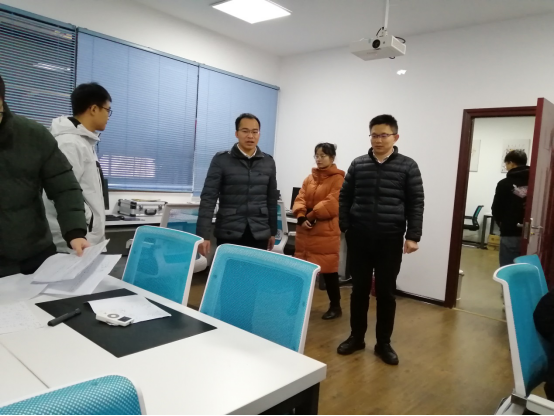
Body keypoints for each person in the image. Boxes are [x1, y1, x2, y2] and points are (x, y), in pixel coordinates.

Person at [337, 114, 425, 365]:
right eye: (374, 135)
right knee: (359, 291)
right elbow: (344, 197)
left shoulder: (408, 166)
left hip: (390, 238)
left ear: (395, 137)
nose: (378, 140)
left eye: (384, 135)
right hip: (359, 237)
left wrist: (413, 236)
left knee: (386, 293)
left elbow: (416, 202)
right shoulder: (358, 164)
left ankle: (383, 344)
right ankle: (356, 338)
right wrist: (346, 226)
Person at [0, 75, 89, 278]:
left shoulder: (33, 136)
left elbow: (64, 188)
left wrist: (75, 232)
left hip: (33, 255)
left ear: (3, 102)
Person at [196, 113, 278, 255]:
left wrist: (272, 232)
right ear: (237, 133)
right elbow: (208, 198)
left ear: (259, 134)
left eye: (255, 132)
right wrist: (203, 235)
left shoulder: (268, 162)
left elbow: (271, 200)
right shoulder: (221, 160)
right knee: (229, 268)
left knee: (255, 268)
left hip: (259, 232)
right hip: (229, 231)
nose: (250, 136)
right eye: (245, 131)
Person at [44, 83, 112, 252]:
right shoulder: (69, 143)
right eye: (107, 110)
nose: (108, 116)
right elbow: (63, 193)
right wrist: (86, 224)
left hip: (85, 237)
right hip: (74, 241)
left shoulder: (83, 141)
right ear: (94, 109)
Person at [293, 143, 345, 320]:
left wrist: (311, 215)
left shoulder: (338, 179)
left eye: (323, 156)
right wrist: (301, 217)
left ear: (332, 157)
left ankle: (335, 307)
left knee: (329, 271)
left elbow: (332, 203)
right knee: (301, 270)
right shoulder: (309, 178)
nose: (319, 159)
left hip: (325, 231)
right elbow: (300, 198)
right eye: (317, 155)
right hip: (306, 231)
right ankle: (297, 304)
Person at [492, 150, 529, 267]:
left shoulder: (504, 184)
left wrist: (503, 224)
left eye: (506, 164)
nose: (506, 167)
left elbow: (496, 209)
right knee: (526, 268)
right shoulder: (536, 182)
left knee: (507, 268)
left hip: (510, 232)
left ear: (511, 163)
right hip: (532, 234)